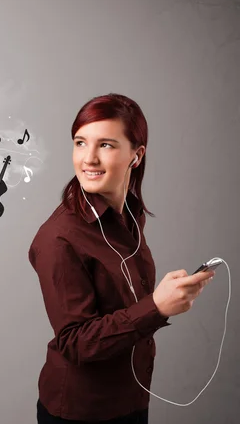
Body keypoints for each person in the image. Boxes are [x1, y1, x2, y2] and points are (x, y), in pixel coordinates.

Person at [28, 93, 215, 423]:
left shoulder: (129, 214)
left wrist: (167, 298)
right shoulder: (58, 238)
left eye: (106, 145)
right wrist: (156, 307)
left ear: (136, 155)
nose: (89, 158)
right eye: (80, 142)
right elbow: (74, 342)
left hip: (132, 399)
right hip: (83, 412)